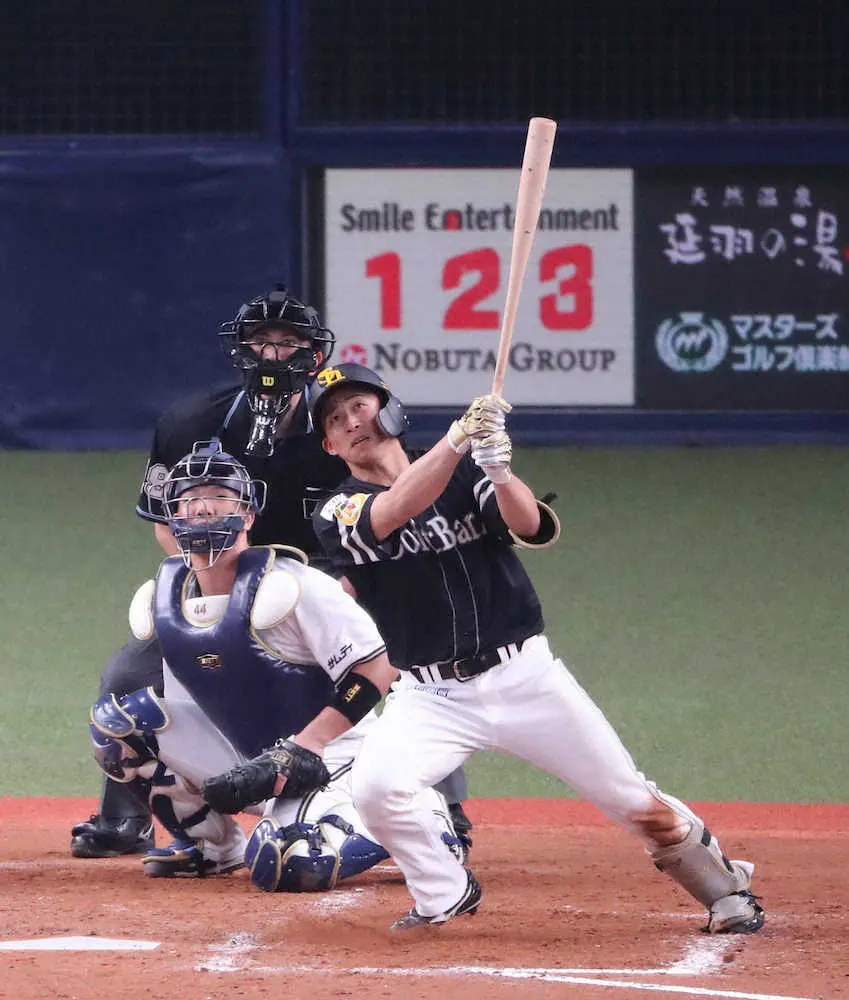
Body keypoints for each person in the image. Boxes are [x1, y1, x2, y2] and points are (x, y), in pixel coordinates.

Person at [305, 362, 765, 934]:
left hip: (524, 677)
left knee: (633, 802)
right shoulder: (334, 511)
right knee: (377, 791)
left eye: (359, 406)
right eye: (335, 418)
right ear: (328, 444)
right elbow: (391, 510)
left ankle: (726, 891)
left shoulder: (463, 473)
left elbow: (527, 526)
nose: (352, 421)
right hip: (431, 695)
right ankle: (444, 892)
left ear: (390, 409)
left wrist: (497, 471)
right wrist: (455, 442)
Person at [71, 286, 473, 860]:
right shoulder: (190, 423)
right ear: (240, 349)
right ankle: (127, 817)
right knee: (130, 671)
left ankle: (442, 811)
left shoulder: (340, 422)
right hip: (225, 574)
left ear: (314, 353)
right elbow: (166, 522)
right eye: (262, 341)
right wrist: (211, 576)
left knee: (411, 652)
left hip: (341, 572)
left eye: (290, 342)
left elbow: (387, 498)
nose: (274, 354)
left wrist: (352, 582)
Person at [88, 441, 463, 886]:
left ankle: (420, 823)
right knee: (121, 726)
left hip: (334, 763)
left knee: (289, 864)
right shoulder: (165, 602)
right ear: (173, 518)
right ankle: (212, 847)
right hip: (250, 760)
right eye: (190, 499)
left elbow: (379, 669)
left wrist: (303, 747)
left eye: (218, 496)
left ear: (248, 515)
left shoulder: (294, 587)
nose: (204, 508)